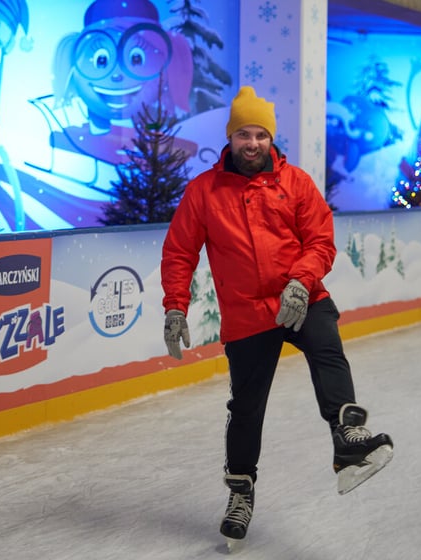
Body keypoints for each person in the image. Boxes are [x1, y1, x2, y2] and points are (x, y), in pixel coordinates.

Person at [160, 86, 394, 546]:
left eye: (260, 135)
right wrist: (174, 305)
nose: (252, 144)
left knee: (327, 346)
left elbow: (321, 242)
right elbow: (179, 253)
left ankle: (347, 438)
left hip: (301, 296)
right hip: (247, 311)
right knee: (246, 408)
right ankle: (240, 492)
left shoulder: (297, 183)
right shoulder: (203, 192)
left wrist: (300, 282)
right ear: (230, 138)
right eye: (243, 134)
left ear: (271, 139)